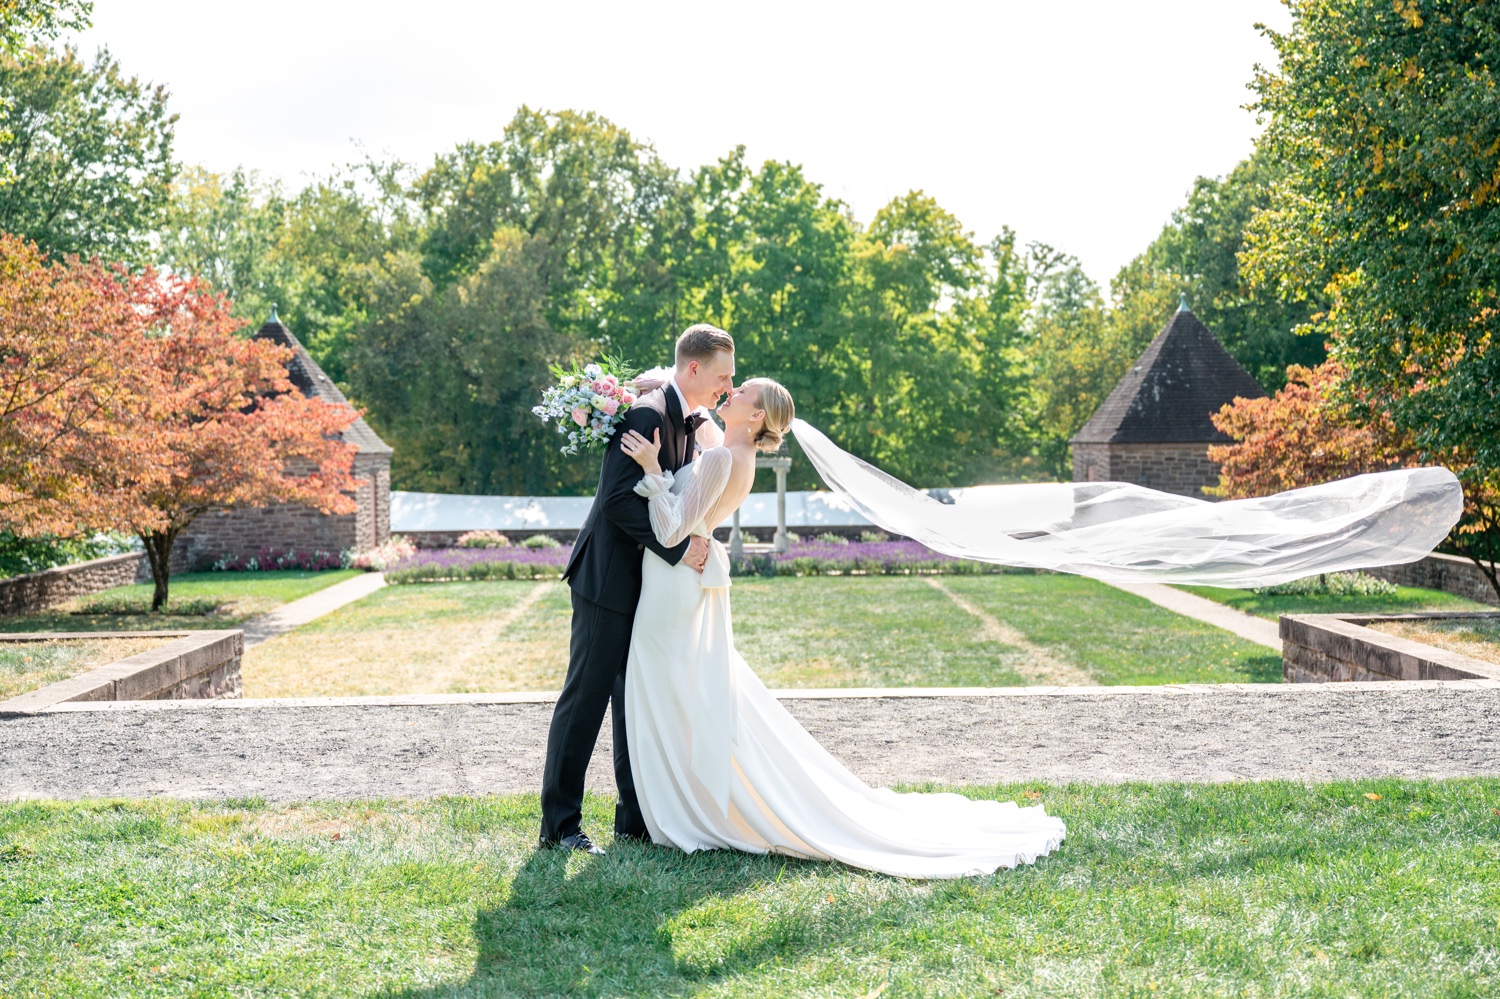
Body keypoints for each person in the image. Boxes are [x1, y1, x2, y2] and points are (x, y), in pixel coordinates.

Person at [616, 377, 1066, 878]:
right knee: (681, 690)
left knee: (666, 688)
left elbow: (672, 530)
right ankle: (687, 799)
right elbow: (700, 429)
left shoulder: (724, 458)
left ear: (756, 415)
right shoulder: (733, 454)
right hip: (685, 582)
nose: (734, 390)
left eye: (743, 390)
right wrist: (660, 385)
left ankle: (683, 806)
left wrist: (654, 471)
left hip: (674, 580)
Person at [537, 324, 736, 855]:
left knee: (632, 703)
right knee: (586, 699)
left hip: (646, 586)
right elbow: (617, 502)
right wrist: (677, 550)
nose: (727, 387)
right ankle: (559, 828)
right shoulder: (647, 414)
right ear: (693, 369)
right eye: (722, 376)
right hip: (608, 580)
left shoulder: (688, 421)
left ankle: (635, 817)